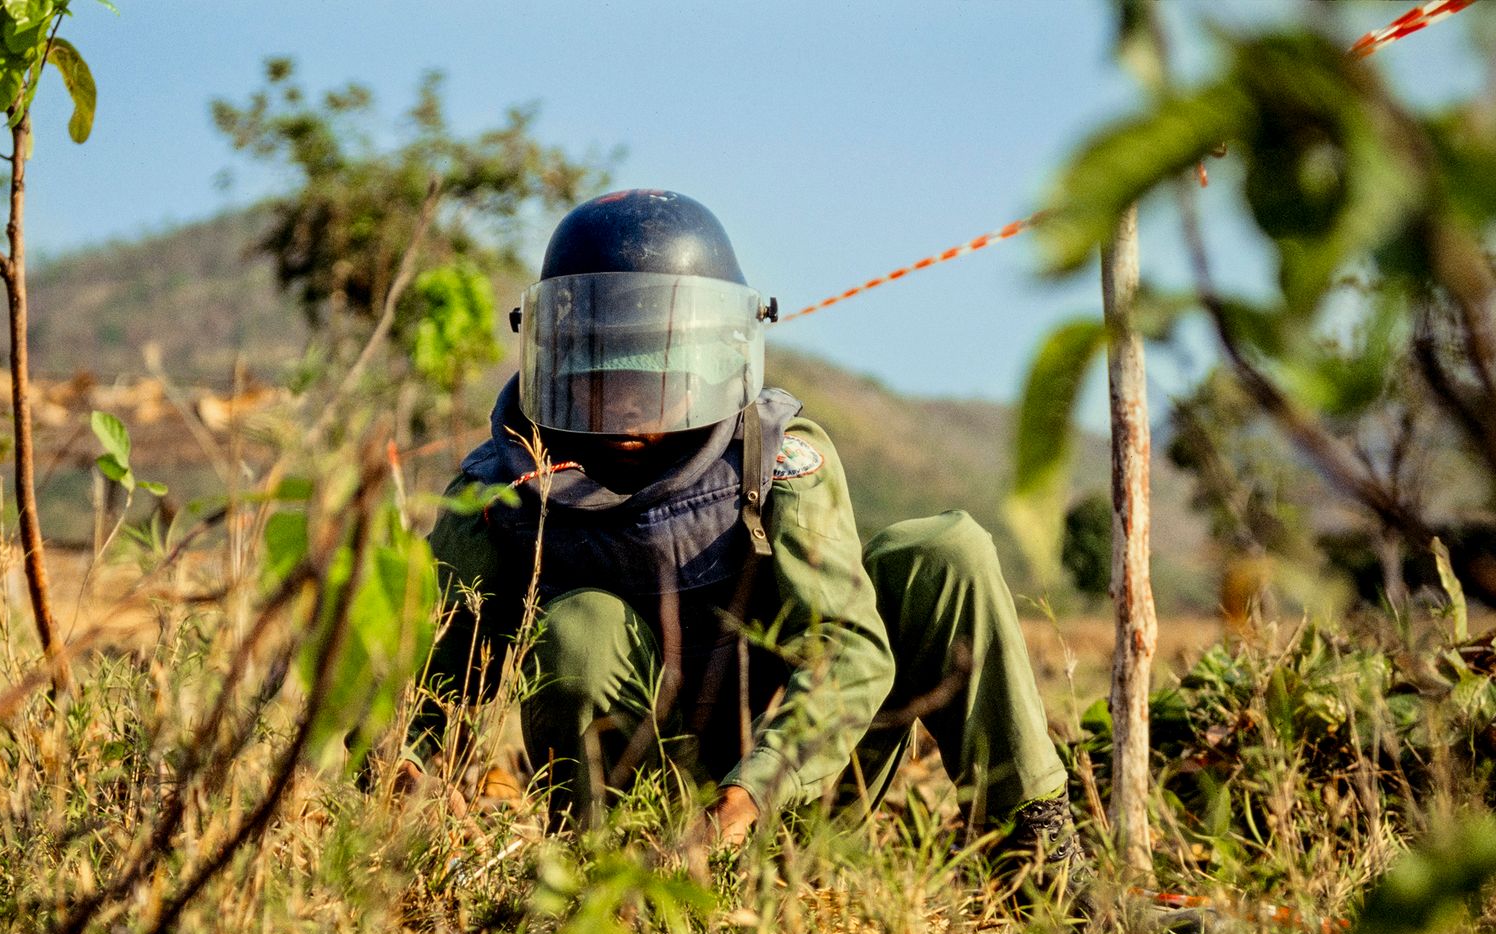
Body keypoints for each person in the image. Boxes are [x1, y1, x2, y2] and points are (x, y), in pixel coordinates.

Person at [399, 189, 1080, 869]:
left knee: (945, 554)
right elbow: (416, 686)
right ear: (560, 362)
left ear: (707, 365)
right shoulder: (500, 492)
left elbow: (847, 649)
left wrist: (750, 796)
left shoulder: (774, 461)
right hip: (636, 837)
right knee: (582, 625)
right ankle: (597, 877)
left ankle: (1040, 858)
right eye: (606, 379)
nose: (629, 412)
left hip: (787, 803)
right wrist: (407, 779)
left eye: (653, 379)